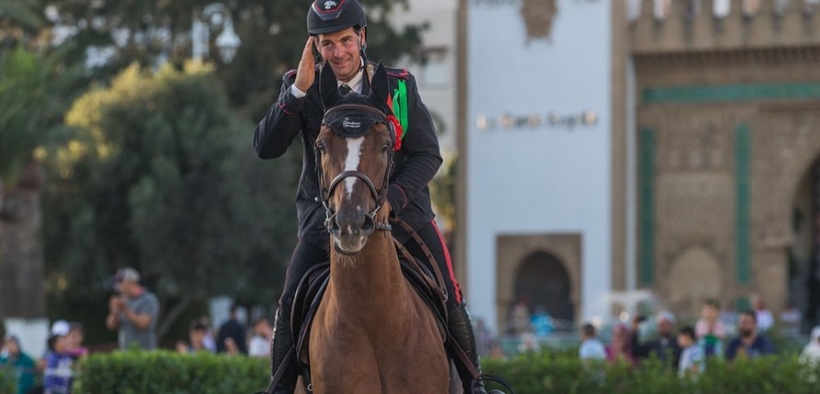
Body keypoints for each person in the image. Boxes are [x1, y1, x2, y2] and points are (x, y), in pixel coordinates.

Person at [253, 1, 499, 393]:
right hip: (327, 223)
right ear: (315, 47)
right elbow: (266, 147)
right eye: (327, 44)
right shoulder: (304, 87)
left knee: (449, 292)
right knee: (289, 300)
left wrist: (394, 200)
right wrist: (297, 90)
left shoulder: (399, 86)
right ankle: (280, 387)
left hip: (404, 220)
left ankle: (475, 385)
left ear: (361, 37)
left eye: (345, 41)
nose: (338, 53)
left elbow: (427, 154)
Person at [105, 267, 160, 350]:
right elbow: (111, 326)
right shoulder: (123, 300)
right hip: (125, 352)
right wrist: (114, 312)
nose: (117, 286)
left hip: (145, 352)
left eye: (120, 282)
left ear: (130, 282)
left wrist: (125, 309)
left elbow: (143, 324)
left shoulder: (148, 299)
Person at [43, 321, 74, 394]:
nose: (68, 341)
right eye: (64, 338)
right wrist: (48, 391)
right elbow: (49, 376)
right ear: (55, 342)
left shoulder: (67, 357)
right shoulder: (53, 358)